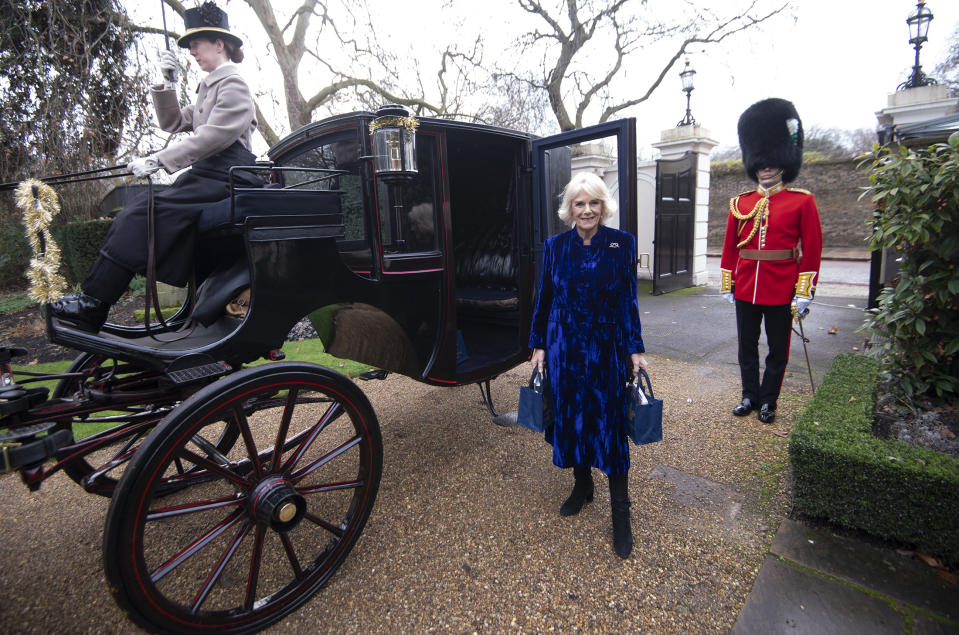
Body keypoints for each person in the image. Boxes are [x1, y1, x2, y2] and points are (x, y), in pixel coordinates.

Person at [49, 1, 258, 332]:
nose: (191, 51)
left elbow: (215, 136)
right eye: (188, 46)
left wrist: (160, 160)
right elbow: (173, 121)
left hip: (225, 176)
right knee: (138, 210)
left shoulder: (234, 84)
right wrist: (166, 83)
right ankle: (94, 300)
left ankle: (94, 303)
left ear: (219, 43)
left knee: (140, 213)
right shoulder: (209, 87)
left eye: (196, 44)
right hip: (208, 175)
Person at [529, 172, 648, 559]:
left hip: (606, 349)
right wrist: (539, 346)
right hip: (564, 348)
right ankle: (583, 486)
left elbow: (628, 301)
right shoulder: (555, 246)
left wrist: (635, 350)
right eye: (579, 203)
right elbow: (544, 298)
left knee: (610, 426)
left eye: (593, 202)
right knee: (571, 420)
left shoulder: (621, 244)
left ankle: (621, 512)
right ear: (570, 209)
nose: (587, 210)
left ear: (603, 206)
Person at [720, 98, 822, 424]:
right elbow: (730, 248)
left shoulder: (801, 202)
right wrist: (727, 283)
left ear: (783, 163)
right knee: (746, 348)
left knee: (778, 350)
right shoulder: (741, 203)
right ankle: (748, 396)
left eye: (771, 162)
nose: (765, 168)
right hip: (746, 287)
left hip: (781, 288)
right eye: (760, 162)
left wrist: (804, 290)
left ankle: (769, 401)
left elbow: (813, 249)